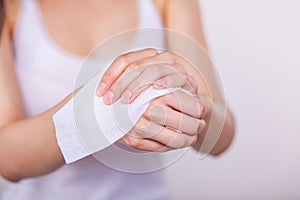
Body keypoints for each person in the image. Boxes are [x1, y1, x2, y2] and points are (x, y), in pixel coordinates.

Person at [0, 0, 235, 199]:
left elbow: (220, 138)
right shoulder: (13, 6)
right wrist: (101, 115)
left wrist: (191, 107)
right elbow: (5, 157)